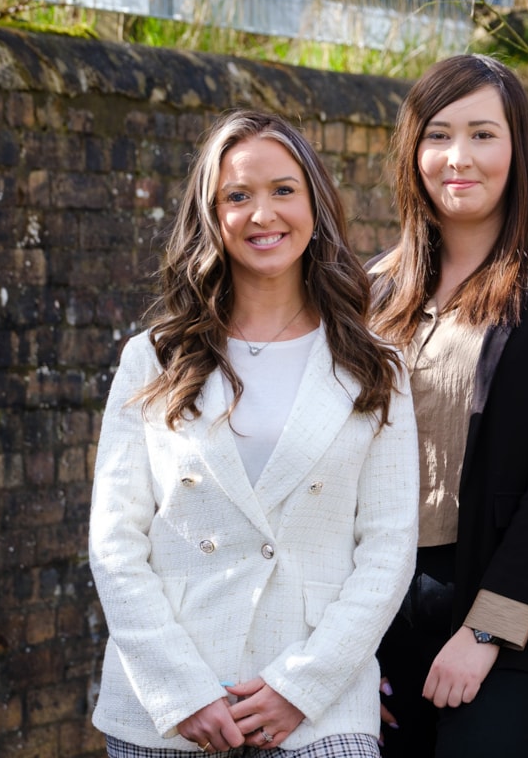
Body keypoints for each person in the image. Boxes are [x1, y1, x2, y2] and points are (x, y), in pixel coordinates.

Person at [88, 110, 419, 757]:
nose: (262, 213)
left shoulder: (375, 366)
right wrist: (183, 691)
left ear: (315, 203)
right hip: (169, 709)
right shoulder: (152, 359)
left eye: (282, 190)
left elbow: (388, 547)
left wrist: (302, 686)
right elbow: (115, 542)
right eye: (238, 196)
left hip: (321, 710)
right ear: (211, 214)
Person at [367, 54, 528, 758]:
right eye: (439, 135)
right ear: (412, 150)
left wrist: (486, 629)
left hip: (522, 608)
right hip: (381, 604)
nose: (460, 157)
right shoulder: (374, 292)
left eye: (483, 134)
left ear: (518, 149)